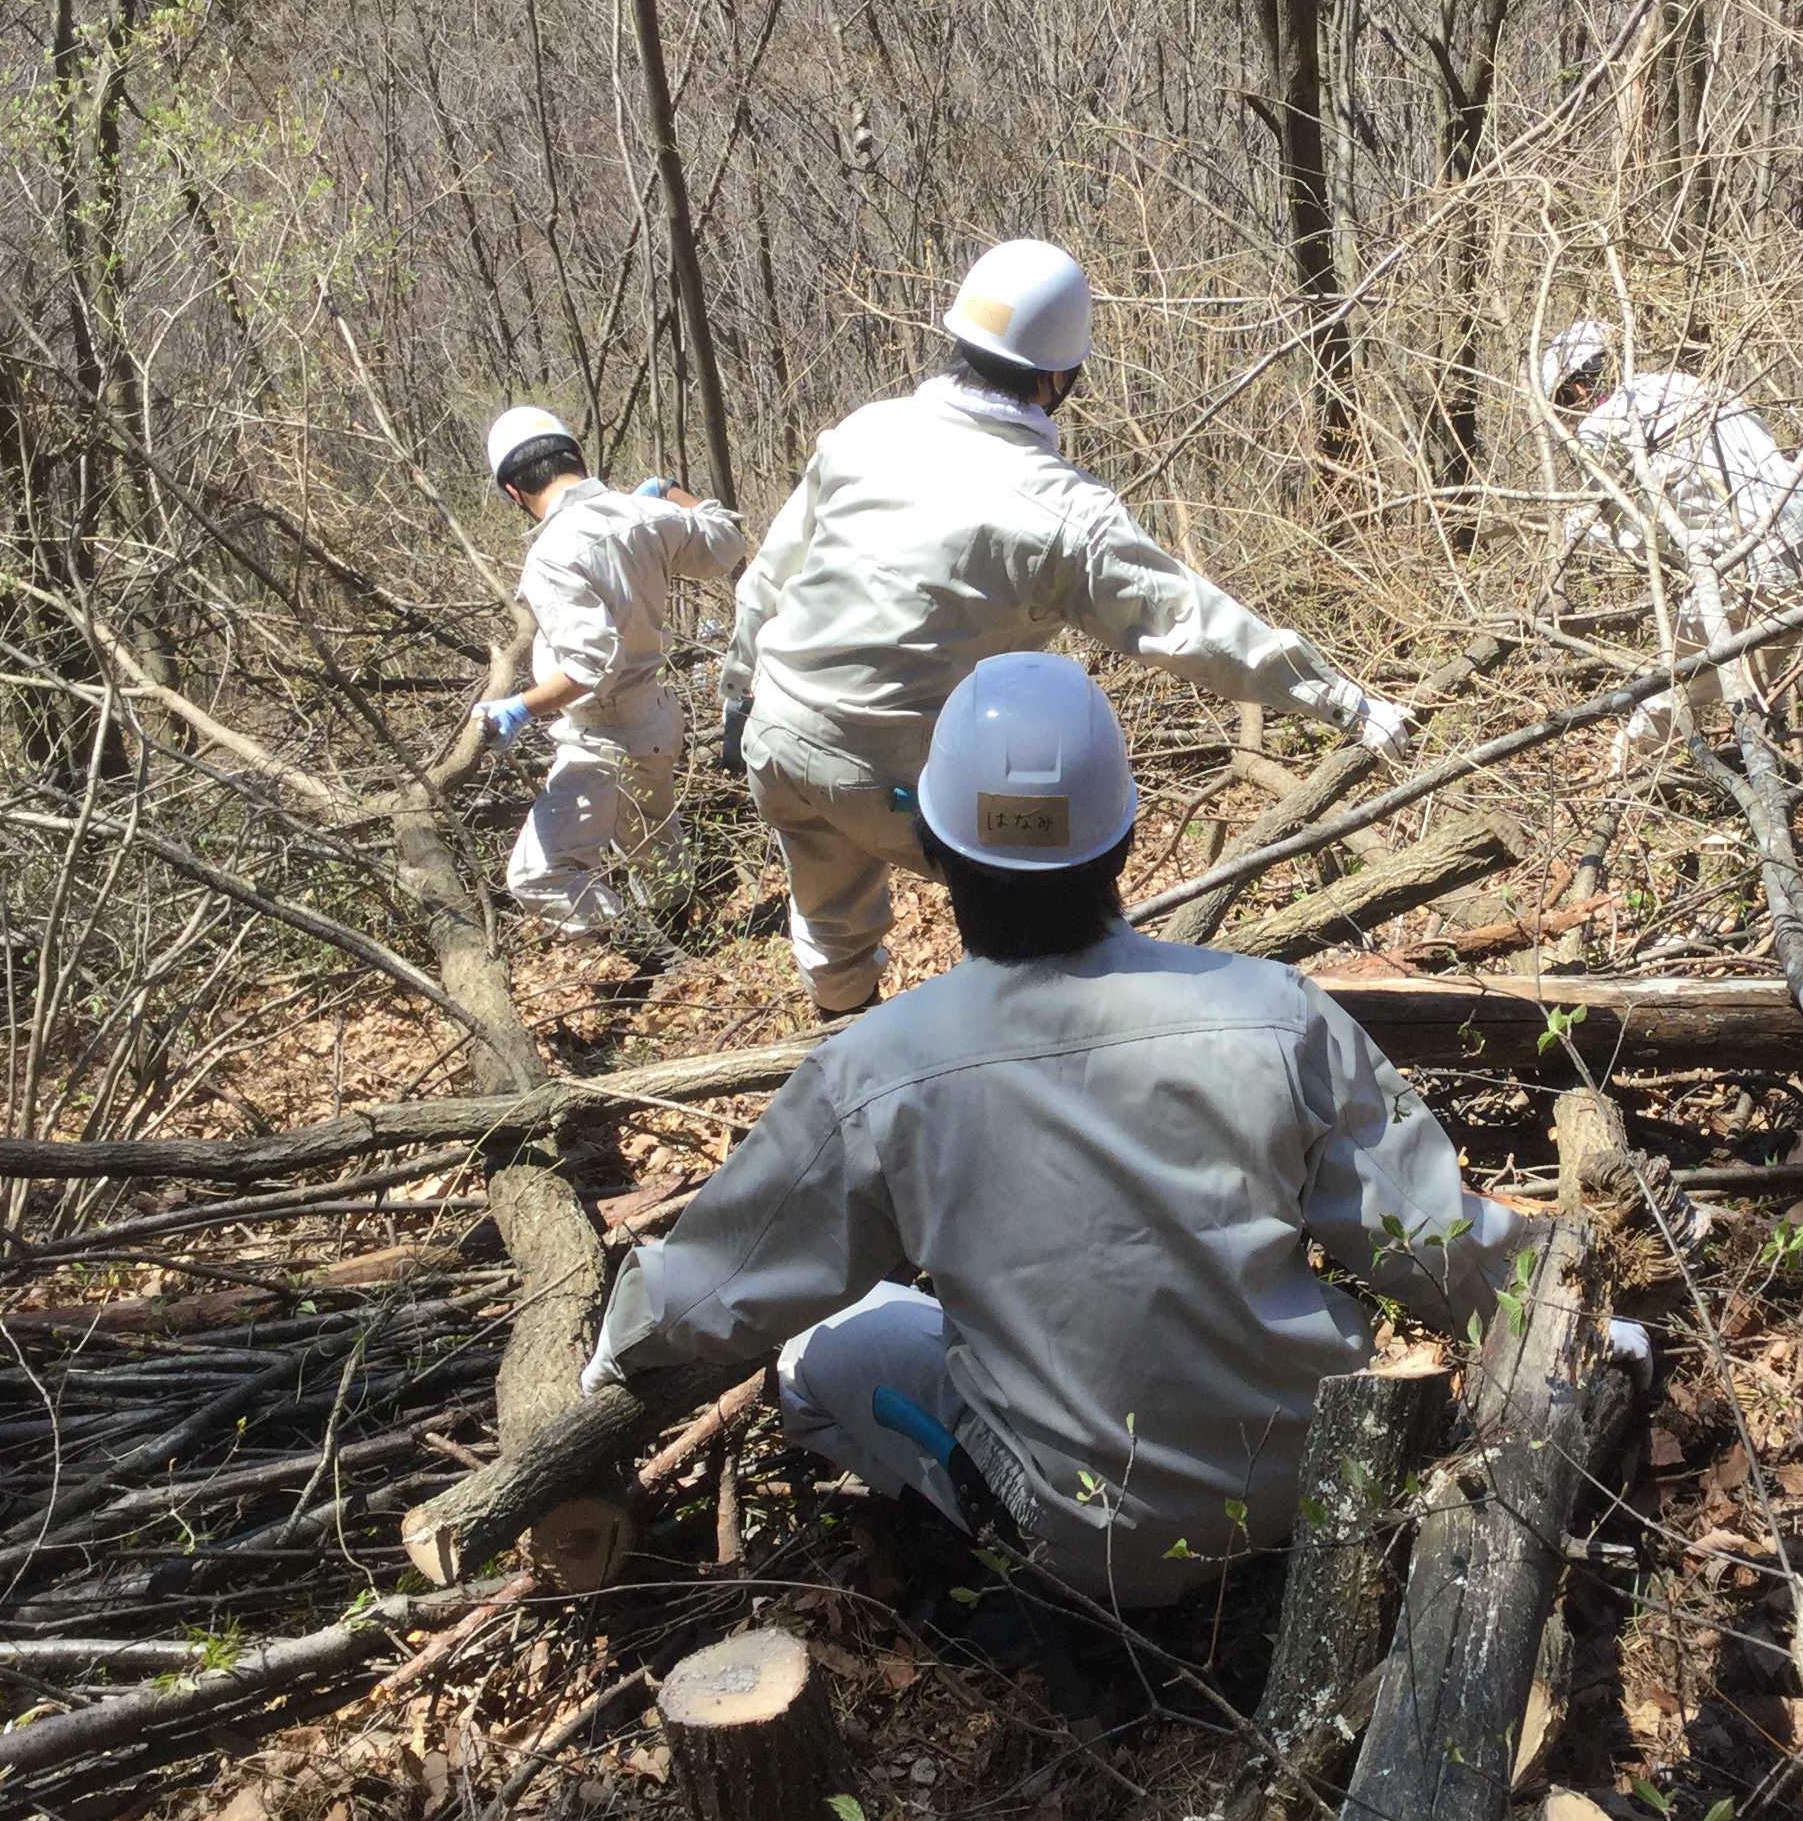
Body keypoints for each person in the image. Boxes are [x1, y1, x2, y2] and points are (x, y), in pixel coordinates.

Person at [581, 652, 1556, 1609]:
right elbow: (1436, 1240)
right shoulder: (1274, 1011)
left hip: (1084, 1540)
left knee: (813, 1354)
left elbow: (718, 1290)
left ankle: (958, 1571)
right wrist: (1564, 1310)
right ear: (1123, 842)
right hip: (1319, 1480)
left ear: (937, 848)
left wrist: (618, 1339)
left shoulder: (876, 1070)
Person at [721, 238, 1414, 1019]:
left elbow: (769, 577)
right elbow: (1188, 622)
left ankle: (844, 1050)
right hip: (894, 781)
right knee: (1043, 904)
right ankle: (1042, 1051)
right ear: (1060, 375)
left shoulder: (865, 433)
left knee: (830, 925)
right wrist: (1341, 701)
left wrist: (737, 696)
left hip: (776, 737)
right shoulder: (1060, 513)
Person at [470, 406, 749, 956]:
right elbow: (727, 540)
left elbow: (589, 663)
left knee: (536, 875)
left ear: (512, 490)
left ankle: (655, 954)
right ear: (577, 457)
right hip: (657, 717)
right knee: (651, 844)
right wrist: (668, 492)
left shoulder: (549, 556)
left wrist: (520, 707)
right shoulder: (639, 514)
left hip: (602, 733)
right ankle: (683, 944)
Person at [1540, 321, 1803, 767]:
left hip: (1743, 560)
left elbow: (1639, 534)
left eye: (1564, 400)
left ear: (1576, 387)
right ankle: (1796, 756)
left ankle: (1626, 780)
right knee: (1781, 664)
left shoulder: (1601, 428)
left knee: (1678, 683)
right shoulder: (1685, 383)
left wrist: (1578, 528)